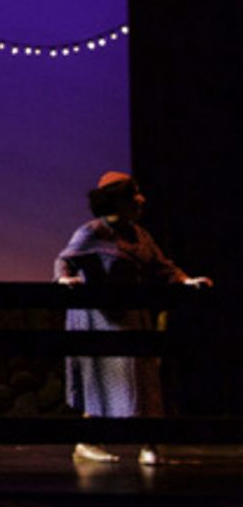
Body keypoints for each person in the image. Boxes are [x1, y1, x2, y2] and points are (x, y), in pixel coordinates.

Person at [55, 171, 212, 466]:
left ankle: (149, 444)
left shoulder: (139, 234)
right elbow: (65, 259)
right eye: (133, 195)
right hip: (102, 319)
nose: (141, 200)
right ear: (117, 201)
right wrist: (65, 280)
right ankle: (87, 440)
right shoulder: (92, 232)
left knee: (144, 380)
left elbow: (162, 266)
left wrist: (186, 280)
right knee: (105, 379)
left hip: (133, 315)